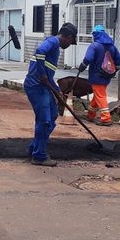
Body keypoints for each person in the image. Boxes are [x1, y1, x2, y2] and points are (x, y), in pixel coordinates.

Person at [24, 22, 78, 167]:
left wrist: (56, 89)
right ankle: (39, 156)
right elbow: (40, 51)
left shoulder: (55, 45)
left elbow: (48, 74)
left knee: (53, 115)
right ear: (67, 37)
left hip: (44, 87)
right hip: (36, 86)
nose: (70, 44)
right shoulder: (53, 42)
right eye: (71, 41)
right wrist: (41, 74)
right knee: (44, 121)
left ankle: (34, 148)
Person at [77, 25, 120, 126]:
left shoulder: (94, 46)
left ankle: (106, 118)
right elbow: (119, 61)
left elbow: (88, 58)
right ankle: (91, 114)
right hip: (107, 76)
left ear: (96, 34)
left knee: (100, 96)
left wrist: (82, 67)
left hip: (96, 76)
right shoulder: (112, 46)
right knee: (97, 95)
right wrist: (114, 71)